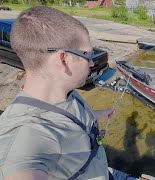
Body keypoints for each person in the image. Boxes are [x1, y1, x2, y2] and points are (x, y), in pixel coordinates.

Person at [0, 6, 114, 180]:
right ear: (63, 59)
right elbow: (21, 165)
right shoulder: (25, 132)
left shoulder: (65, 92)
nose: (91, 63)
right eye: (88, 55)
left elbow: (68, 120)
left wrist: (96, 115)